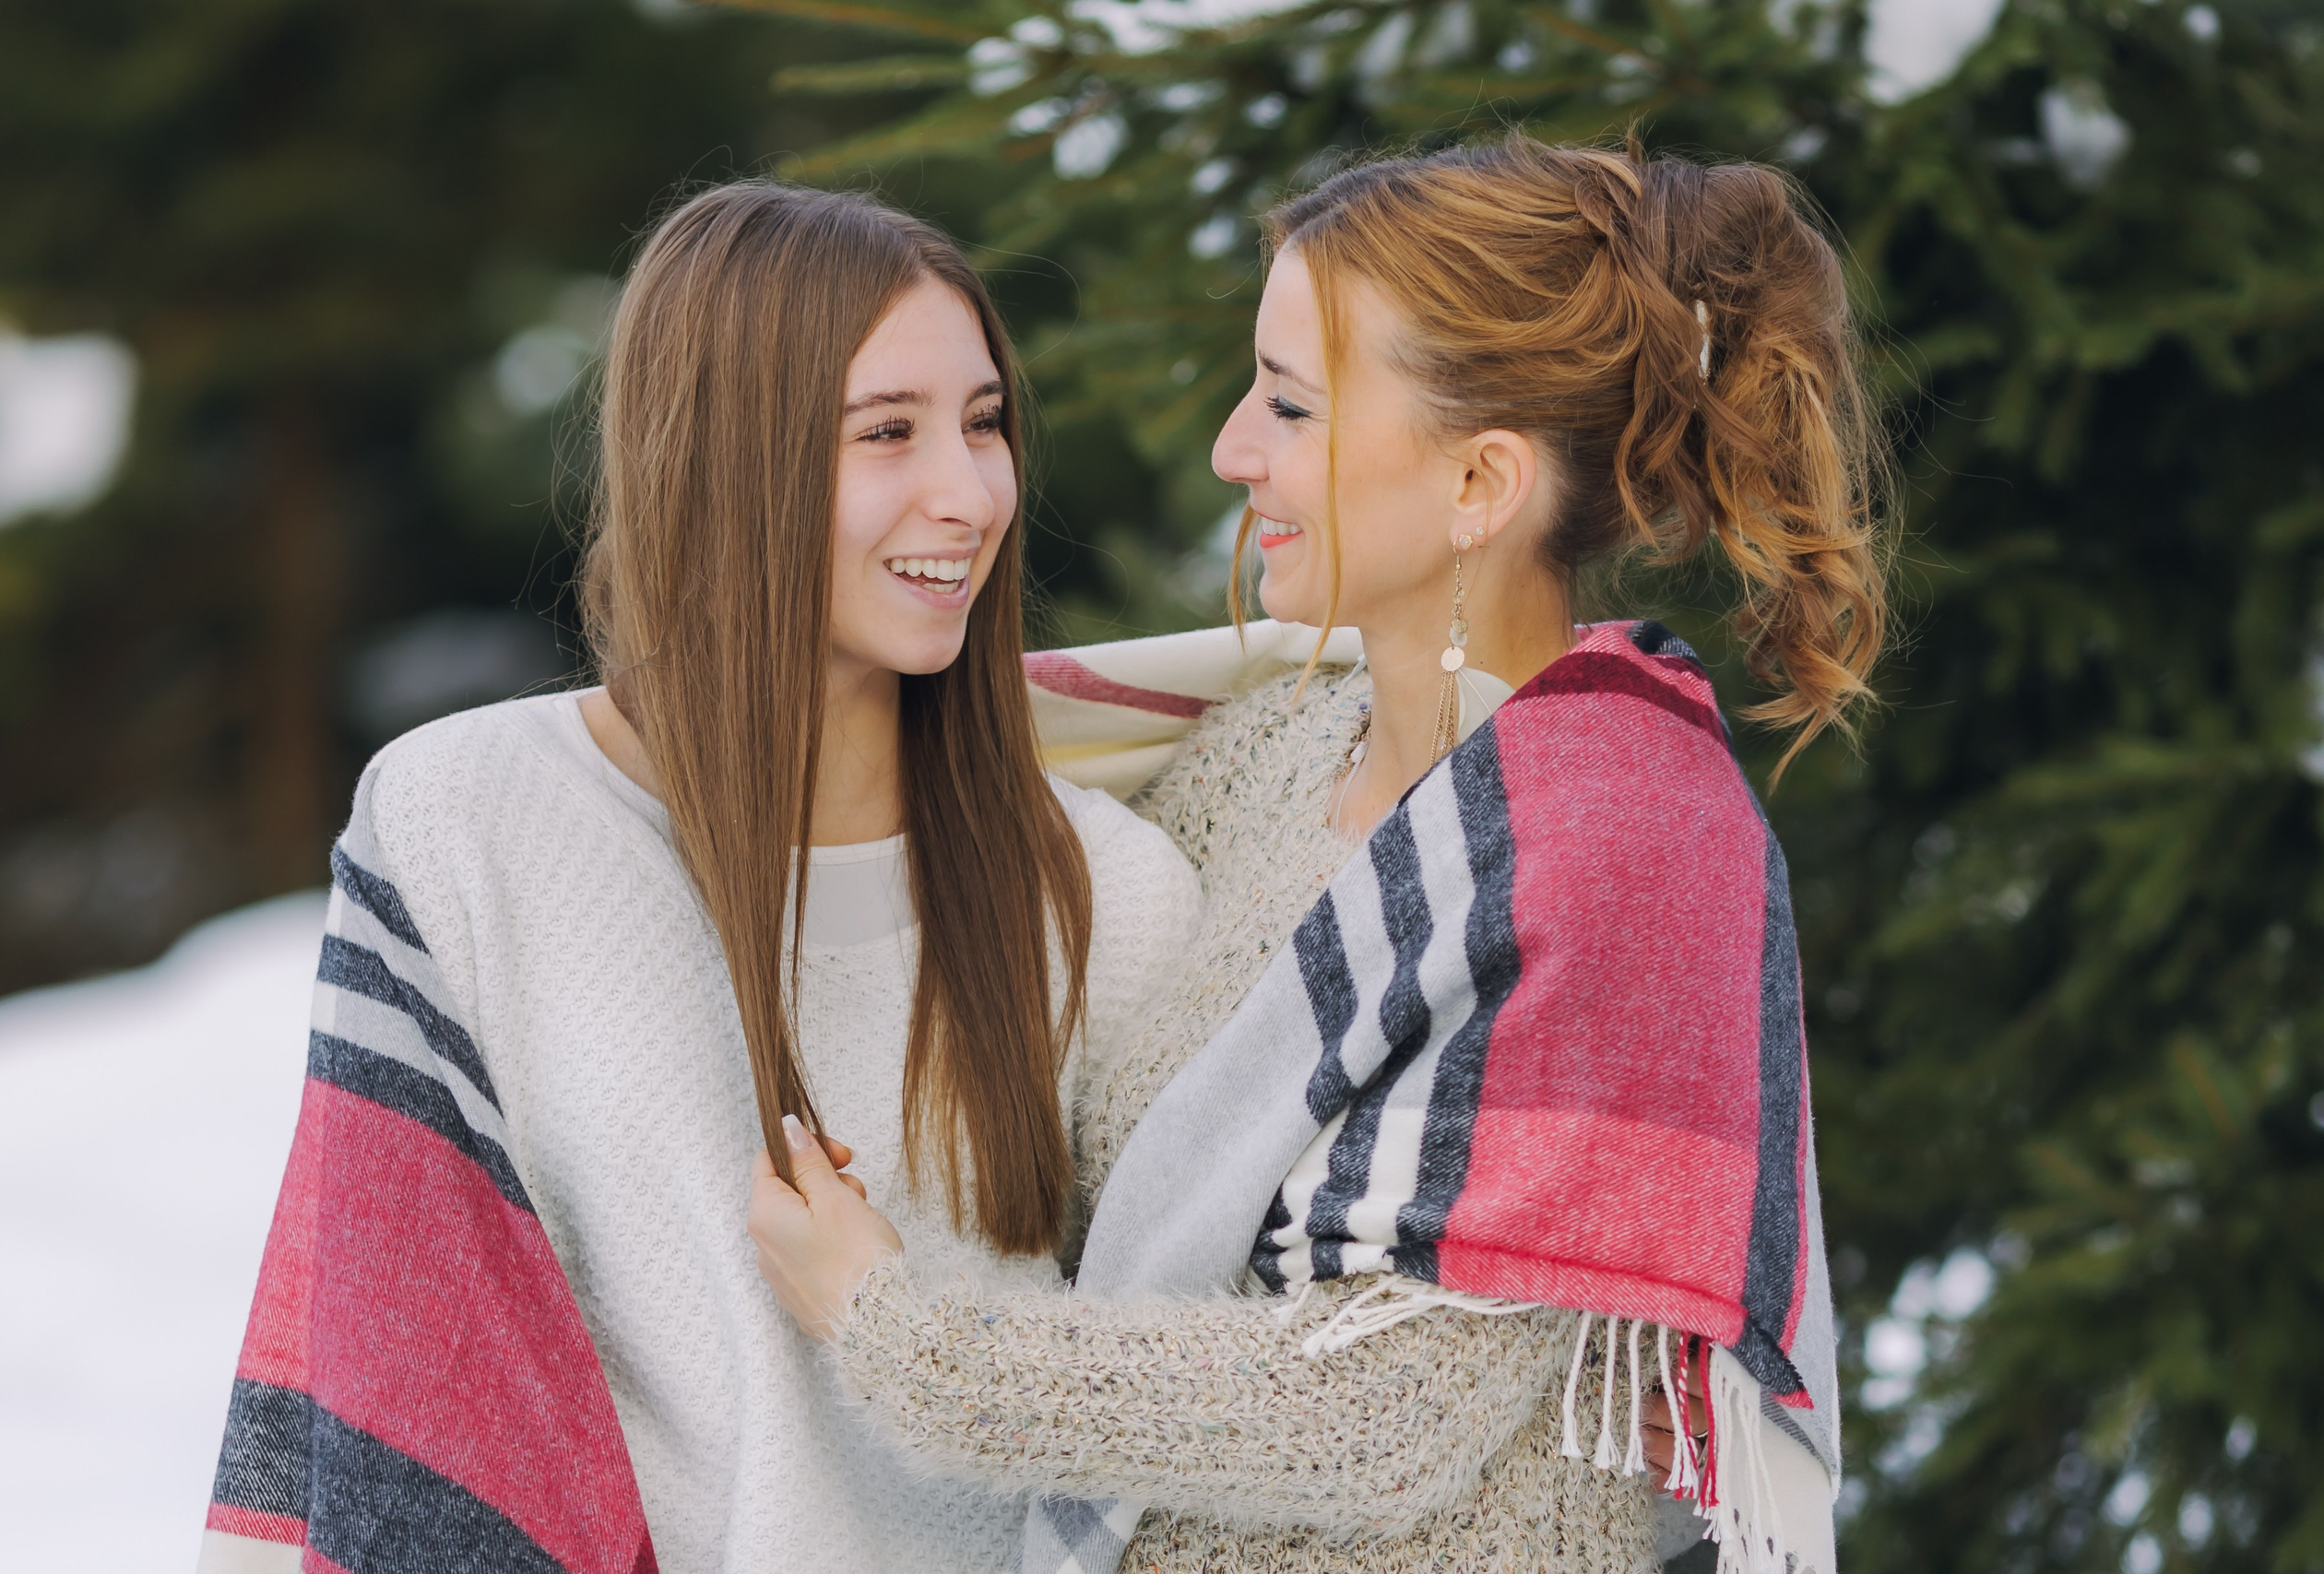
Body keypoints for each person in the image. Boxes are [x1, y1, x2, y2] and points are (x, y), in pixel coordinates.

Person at [749, 134, 1886, 1574]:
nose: (1234, 446)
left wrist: (890, 1326)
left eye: (1290, 403)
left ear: (1480, 484)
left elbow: (1383, 1413)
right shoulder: (1271, 754)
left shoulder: (1626, 850)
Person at [195, 182, 1199, 1574]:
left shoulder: (1102, 889)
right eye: (888, 433)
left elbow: (1210, 1397)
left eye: (983, 425)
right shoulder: (467, 823)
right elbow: (377, 1361)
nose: (967, 494)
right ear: (726, 458)